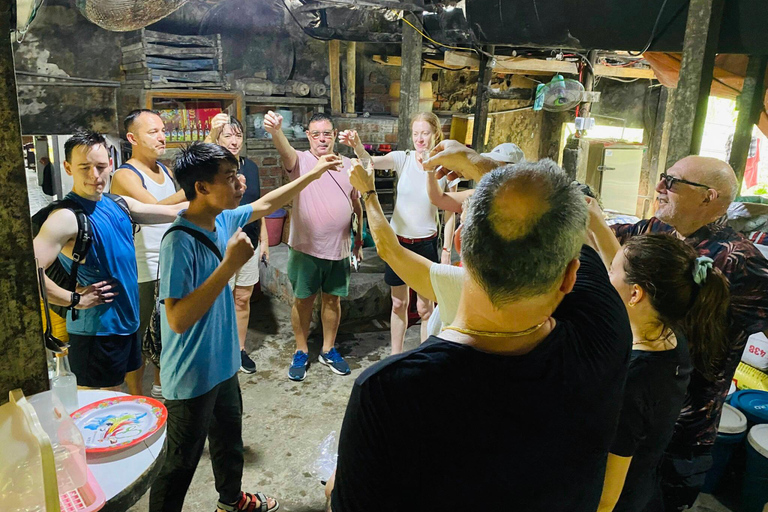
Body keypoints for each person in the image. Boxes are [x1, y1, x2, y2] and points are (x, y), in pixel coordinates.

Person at [330, 156, 632, 511]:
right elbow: (559, 222)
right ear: (569, 276)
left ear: (459, 243)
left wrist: (368, 193)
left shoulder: (388, 391)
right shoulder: (605, 333)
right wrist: (479, 164)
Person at [148, 142, 341, 512]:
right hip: (191, 375)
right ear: (201, 187)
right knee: (179, 465)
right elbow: (177, 318)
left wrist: (313, 174)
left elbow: (267, 204)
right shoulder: (179, 241)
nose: (240, 183)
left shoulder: (223, 217)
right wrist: (228, 267)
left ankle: (231, 501)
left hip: (222, 365)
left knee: (228, 441)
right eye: (230, 177)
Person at [611, 155, 768, 510]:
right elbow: (601, 239)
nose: (660, 187)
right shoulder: (653, 230)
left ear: (708, 197)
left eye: (672, 181)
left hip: (683, 434)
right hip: (630, 412)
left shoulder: (739, 260)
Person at [588, 200, 730, 512]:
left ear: (636, 293)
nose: (606, 275)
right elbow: (625, 271)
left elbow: (608, 497)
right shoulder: (669, 336)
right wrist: (595, 223)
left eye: (610, 272)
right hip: (646, 485)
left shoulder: (635, 381)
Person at [33, 130, 186, 396]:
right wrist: (74, 299)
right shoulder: (66, 217)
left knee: (116, 393)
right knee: (96, 403)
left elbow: (173, 212)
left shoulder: (119, 203)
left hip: (126, 323)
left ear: (111, 165)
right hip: (96, 331)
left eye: (101, 166)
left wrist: (218, 194)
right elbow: (29, 273)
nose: (95, 175)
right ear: (68, 167)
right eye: (85, 167)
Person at [339, 112, 455, 353]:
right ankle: (395, 355)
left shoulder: (445, 166)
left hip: (426, 244)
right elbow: (369, 161)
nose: (420, 139)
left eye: (425, 133)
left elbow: (451, 210)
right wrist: (357, 146)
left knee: (425, 308)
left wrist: (446, 251)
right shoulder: (403, 158)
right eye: (415, 134)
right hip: (398, 244)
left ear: (435, 134)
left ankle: (425, 357)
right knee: (398, 303)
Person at [263, 110, 363, 381]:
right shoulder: (301, 161)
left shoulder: (347, 164)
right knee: (303, 300)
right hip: (305, 247)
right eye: (316, 134)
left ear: (334, 136)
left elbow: (356, 203)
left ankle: (328, 349)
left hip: (339, 247)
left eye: (327, 134)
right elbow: (285, 151)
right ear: (308, 136)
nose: (322, 139)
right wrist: (276, 131)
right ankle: (301, 349)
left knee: (332, 300)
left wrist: (359, 240)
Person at [110, 109, 187, 398]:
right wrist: (193, 185)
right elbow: (159, 209)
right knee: (139, 337)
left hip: (167, 263)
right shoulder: (125, 174)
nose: (161, 136)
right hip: (143, 269)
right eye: (153, 132)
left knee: (164, 333)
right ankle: (135, 396)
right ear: (133, 138)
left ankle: (159, 386)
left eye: (162, 130)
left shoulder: (164, 170)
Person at [208, 113, 269, 374]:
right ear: (218, 138)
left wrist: (264, 240)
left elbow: (257, 207)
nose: (234, 141)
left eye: (238, 135)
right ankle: (218, 351)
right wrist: (210, 135)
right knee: (219, 301)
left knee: (243, 298)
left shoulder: (251, 168)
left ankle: (239, 350)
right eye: (228, 135)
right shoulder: (210, 166)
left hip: (249, 244)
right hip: (221, 246)